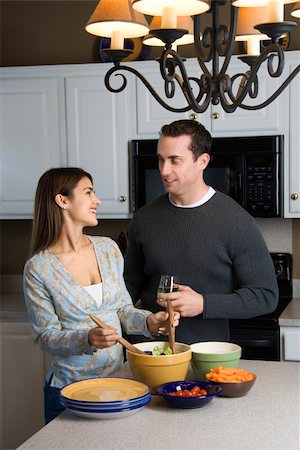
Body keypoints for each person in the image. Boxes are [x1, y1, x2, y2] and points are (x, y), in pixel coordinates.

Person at [23, 167, 179, 424]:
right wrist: (88, 339)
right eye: (88, 192)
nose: (97, 200)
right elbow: (46, 337)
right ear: (62, 201)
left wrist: (150, 322)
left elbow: (122, 311)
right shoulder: (38, 268)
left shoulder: (108, 248)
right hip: (69, 391)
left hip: (120, 382)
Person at [124, 119, 278, 345]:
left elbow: (265, 296)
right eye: (160, 159)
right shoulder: (144, 219)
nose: (164, 170)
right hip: (150, 353)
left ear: (202, 161)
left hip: (207, 356)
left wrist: (204, 304)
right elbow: (127, 288)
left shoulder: (236, 221)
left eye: (175, 160)